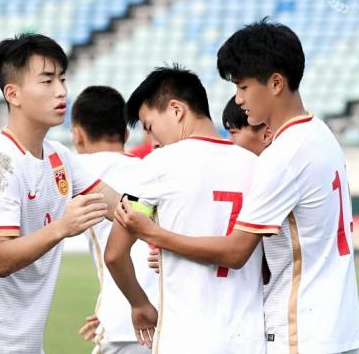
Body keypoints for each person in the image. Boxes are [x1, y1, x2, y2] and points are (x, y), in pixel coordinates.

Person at [115, 20, 359, 354]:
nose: (239, 99)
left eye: (243, 87)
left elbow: (235, 252)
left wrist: (156, 235)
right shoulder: (320, 134)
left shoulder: (283, 155)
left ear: (275, 83)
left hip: (300, 332)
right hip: (339, 328)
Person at [0, 34, 122, 353]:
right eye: (47, 80)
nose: (61, 91)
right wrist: (61, 227)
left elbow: (119, 206)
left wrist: (162, 221)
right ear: (12, 94)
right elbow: (0, 259)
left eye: (62, 79)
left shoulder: (59, 156)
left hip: (28, 343)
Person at [105, 66, 265, 353]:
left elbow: (115, 254)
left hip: (185, 338)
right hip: (249, 339)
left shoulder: (158, 164)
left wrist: (140, 305)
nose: (153, 140)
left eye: (150, 126)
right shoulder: (256, 165)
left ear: (176, 110)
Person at [71, 86, 157, 354]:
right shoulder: (152, 168)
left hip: (126, 322)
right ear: (126, 134)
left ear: (77, 135)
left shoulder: (77, 172)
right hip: (168, 317)